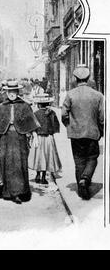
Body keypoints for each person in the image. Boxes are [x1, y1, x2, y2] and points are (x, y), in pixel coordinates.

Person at [0, 80, 40, 204]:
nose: (11, 94)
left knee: (19, 163)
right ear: (6, 92)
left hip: (20, 138)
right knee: (5, 163)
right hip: (5, 139)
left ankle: (19, 192)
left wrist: (35, 136)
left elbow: (31, 122)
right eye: (9, 91)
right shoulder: (1, 107)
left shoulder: (24, 105)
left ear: (17, 92)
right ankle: (8, 191)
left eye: (14, 91)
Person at [61, 66, 104, 200]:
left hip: (76, 134)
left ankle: (82, 190)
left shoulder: (70, 94)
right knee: (92, 158)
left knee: (79, 160)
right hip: (92, 132)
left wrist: (69, 125)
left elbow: (63, 114)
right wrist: (101, 130)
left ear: (76, 79)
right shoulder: (98, 95)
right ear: (88, 78)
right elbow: (102, 117)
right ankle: (85, 179)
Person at [28, 94, 62, 184]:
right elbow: (56, 126)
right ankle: (43, 176)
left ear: (39, 104)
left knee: (39, 156)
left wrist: (32, 136)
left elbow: (32, 126)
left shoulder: (35, 114)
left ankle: (38, 174)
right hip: (48, 137)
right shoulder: (52, 113)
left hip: (38, 137)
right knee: (47, 156)